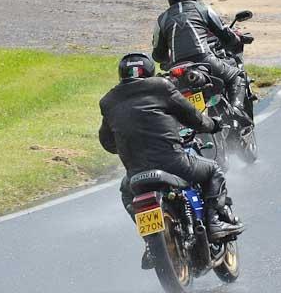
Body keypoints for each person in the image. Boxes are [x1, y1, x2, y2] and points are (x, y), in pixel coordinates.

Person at [99, 52, 244, 267]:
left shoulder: (108, 101)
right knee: (213, 171)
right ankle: (214, 222)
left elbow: (107, 142)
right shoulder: (161, 87)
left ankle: (150, 242)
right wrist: (213, 124)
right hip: (174, 162)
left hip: (136, 173)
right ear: (149, 71)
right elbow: (193, 117)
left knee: (126, 193)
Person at [152, 0, 250, 124]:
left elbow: (158, 55)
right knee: (237, 76)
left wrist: (168, 61)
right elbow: (224, 34)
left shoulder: (162, 19)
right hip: (204, 59)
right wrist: (235, 39)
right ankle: (236, 110)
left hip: (176, 69)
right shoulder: (203, 9)